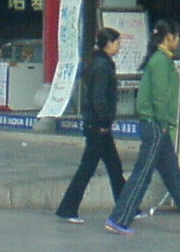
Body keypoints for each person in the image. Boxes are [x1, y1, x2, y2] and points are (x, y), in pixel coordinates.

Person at [105, 18, 180, 237]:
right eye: (177, 36)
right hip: (156, 125)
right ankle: (119, 219)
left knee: (173, 175)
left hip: (156, 125)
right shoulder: (161, 62)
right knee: (142, 174)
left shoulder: (160, 59)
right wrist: (164, 123)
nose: (178, 41)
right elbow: (160, 97)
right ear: (168, 37)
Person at [54, 27, 126, 223]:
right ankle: (68, 209)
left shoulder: (100, 62)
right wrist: (103, 122)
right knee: (88, 167)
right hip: (97, 125)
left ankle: (127, 207)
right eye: (117, 43)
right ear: (108, 44)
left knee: (114, 166)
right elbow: (99, 98)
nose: (119, 47)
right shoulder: (101, 66)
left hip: (97, 124)